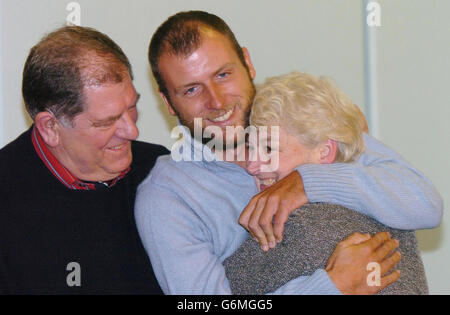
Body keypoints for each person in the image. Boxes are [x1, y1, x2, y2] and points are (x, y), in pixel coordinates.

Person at [134, 11, 442, 294]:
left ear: (247, 62)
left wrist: (308, 182)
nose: (216, 102)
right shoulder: (168, 197)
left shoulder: (301, 111)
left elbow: (425, 205)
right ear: (167, 102)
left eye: (223, 75)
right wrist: (332, 286)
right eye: (191, 89)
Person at [222, 72, 429, 295]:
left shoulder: (289, 227)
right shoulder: (396, 213)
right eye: (251, 148)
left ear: (325, 151)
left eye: (269, 149)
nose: (252, 165)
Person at [0, 26, 168, 294]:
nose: (132, 131)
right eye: (107, 121)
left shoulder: (159, 169)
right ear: (50, 127)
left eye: (131, 107)